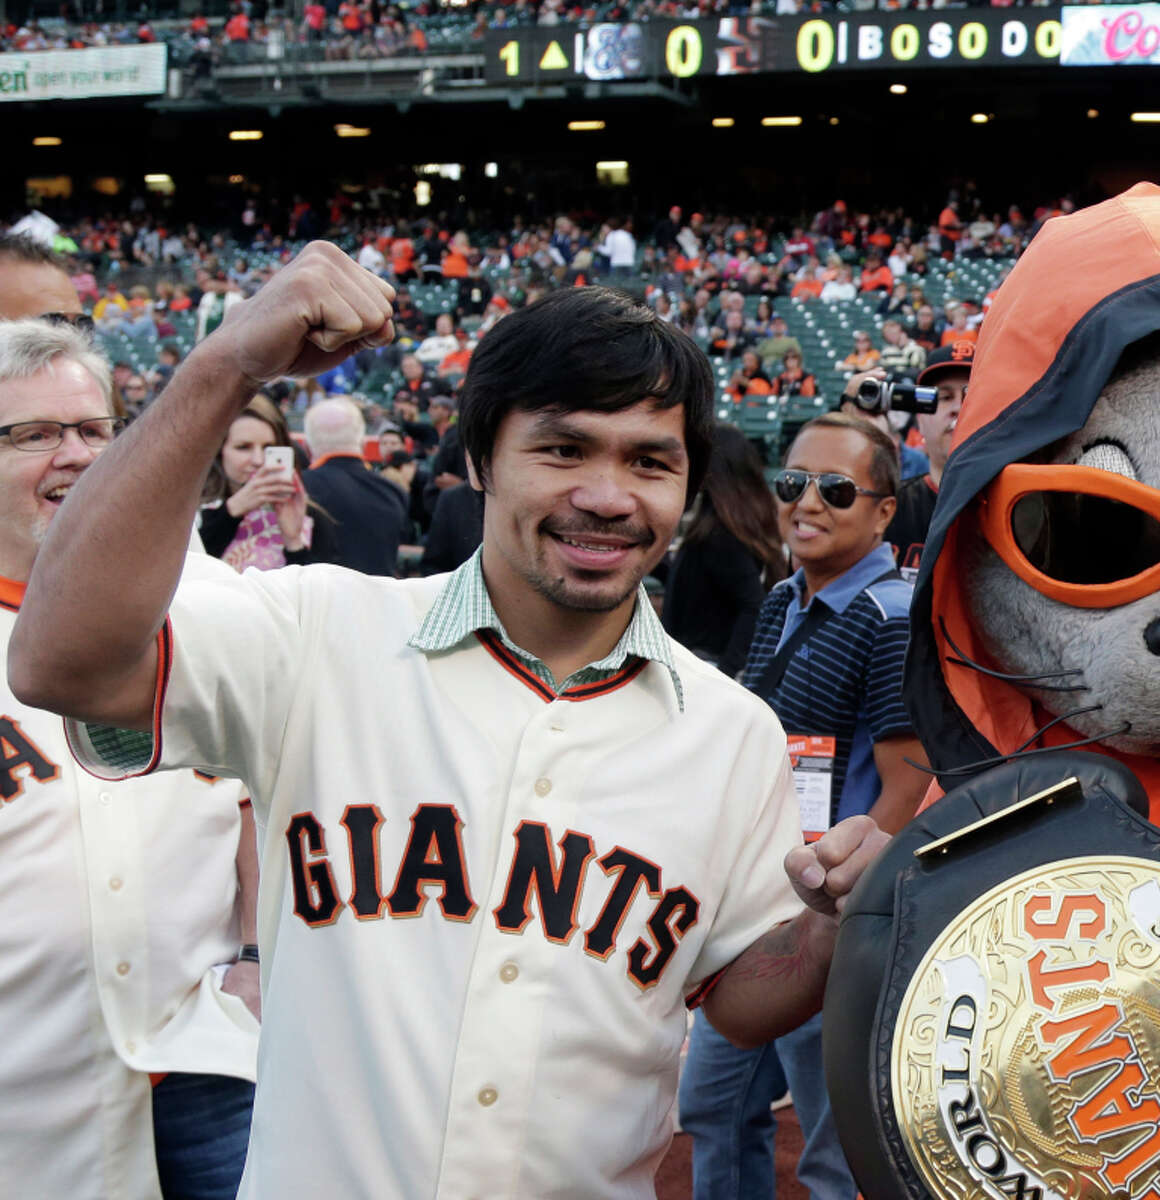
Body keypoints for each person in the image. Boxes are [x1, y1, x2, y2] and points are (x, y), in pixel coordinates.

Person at [7, 248, 887, 1199]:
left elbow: (741, 996)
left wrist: (832, 929)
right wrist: (226, 367)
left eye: (649, 460)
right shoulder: (317, 631)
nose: (606, 493)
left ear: (688, 484)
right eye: (562, 448)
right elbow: (62, 661)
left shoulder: (732, 731)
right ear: (478, 459)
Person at [0, 319, 259, 1200]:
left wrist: (259, 957)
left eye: (95, 430)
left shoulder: (215, 603)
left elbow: (270, 790)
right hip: (27, 1077)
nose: (73, 457)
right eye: (34, 434)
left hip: (212, 1053)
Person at [679, 412, 930, 1200]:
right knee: (710, 1108)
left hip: (829, 922)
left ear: (885, 510)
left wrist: (843, 913)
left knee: (830, 1154)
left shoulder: (893, 615)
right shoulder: (786, 597)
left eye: (836, 488)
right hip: (758, 911)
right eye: (793, 483)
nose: (807, 503)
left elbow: (908, 787)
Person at [663, 426, 784, 677]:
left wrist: (725, 674)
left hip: (703, 666)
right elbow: (699, 590)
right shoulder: (722, 526)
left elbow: (753, 605)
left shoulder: (721, 535)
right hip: (696, 661)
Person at [198, 394, 337, 571]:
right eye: (244, 447)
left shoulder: (309, 516)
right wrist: (230, 513)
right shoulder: (193, 514)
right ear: (219, 452)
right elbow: (187, 574)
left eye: (268, 448)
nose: (258, 460)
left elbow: (316, 592)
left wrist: (293, 542)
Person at [884, 342, 970, 578]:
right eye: (944, 397)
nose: (957, 408)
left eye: (971, 395)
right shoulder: (887, 510)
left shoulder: (1022, 507)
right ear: (920, 419)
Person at [298, 396, 410, 575]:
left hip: (318, 599)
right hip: (378, 599)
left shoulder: (298, 489)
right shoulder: (394, 491)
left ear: (307, 448)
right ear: (364, 444)